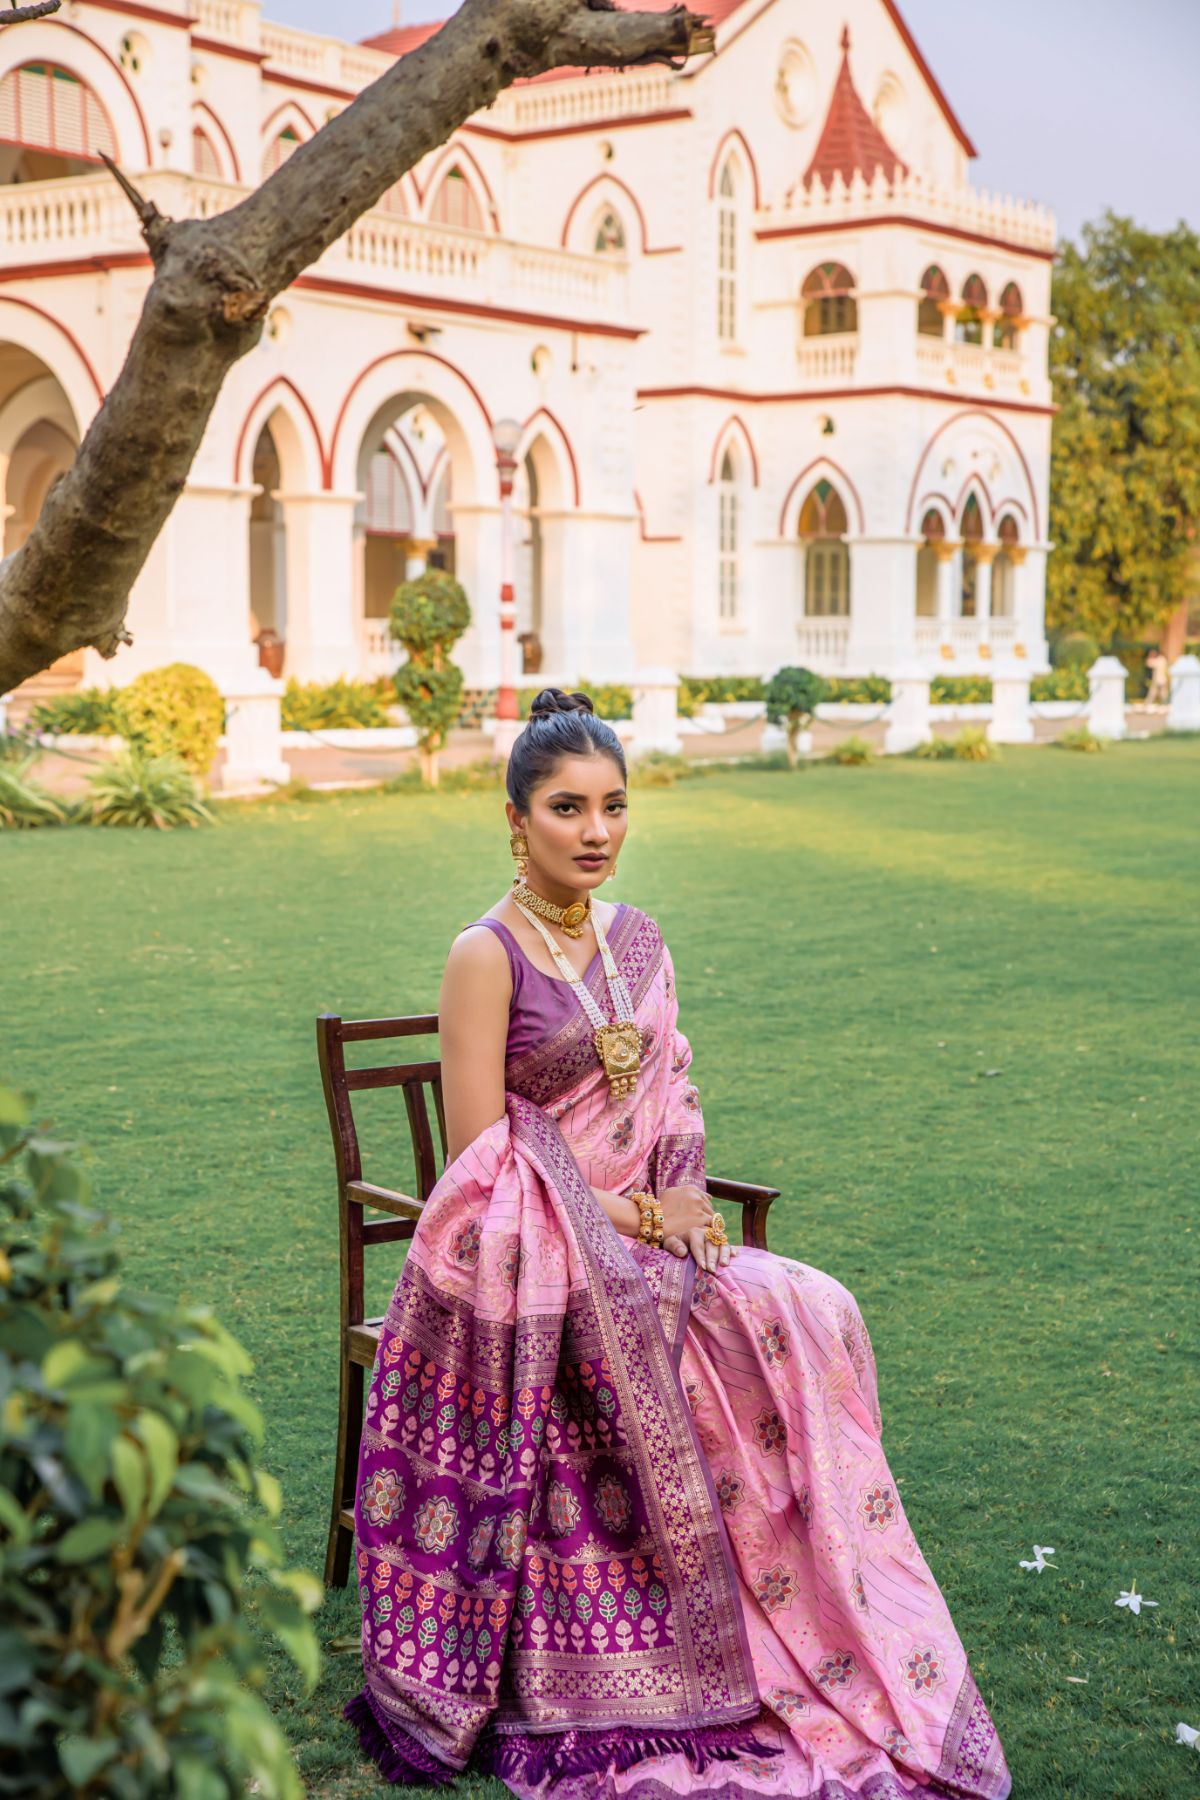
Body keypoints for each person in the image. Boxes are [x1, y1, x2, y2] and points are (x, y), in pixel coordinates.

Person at [344, 689, 1010, 1800]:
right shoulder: (485, 955)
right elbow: (481, 1163)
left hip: (655, 1240)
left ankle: (815, 1609)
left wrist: (685, 1193)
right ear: (516, 819)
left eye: (612, 807)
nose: (595, 831)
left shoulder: (641, 940)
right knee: (719, 1333)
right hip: (534, 1262)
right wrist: (634, 1226)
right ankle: (687, 1621)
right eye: (567, 809)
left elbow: (672, 1097)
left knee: (811, 1305)